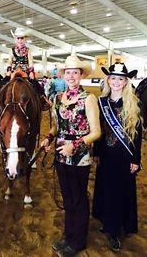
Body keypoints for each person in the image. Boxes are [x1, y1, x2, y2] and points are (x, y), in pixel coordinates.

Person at [41, 54, 101, 257]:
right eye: (68, 72)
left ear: (81, 74)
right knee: (67, 198)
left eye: (75, 72)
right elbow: (56, 126)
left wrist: (73, 145)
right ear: (63, 75)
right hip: (60, 154)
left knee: (78, 198)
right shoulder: (58, 99)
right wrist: (48, 138)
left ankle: (78, 241)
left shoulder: (88, 98)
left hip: (80, 156)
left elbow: (96, 132)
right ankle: (68, 236)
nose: (72, 75)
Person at [92, 62, 142, 252]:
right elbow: (98, 132)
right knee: (106, 189)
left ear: (125, 82)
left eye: (120, 78)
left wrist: (136, 160)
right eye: (113, 78)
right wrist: (96, 152)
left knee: (121, 191)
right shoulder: (101, 102)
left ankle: (115, 230)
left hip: (124, 157)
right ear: (108, 80)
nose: (116, 82)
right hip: (105, 156)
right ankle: (107, 221)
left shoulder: (134, 104)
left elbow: (137, 136)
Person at [0, 27, 51, 110]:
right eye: (18, 38)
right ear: (15, 39)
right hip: (14, 70)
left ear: (25, 39)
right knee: (2, 82)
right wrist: (8, 69)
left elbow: (30, 61)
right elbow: (9, 61)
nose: (20, 40)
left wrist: (31, 71)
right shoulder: (12, 51)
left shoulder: (28, 50)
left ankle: (42, 99)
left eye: (22, 38)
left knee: (35, 83)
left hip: (25, 70)